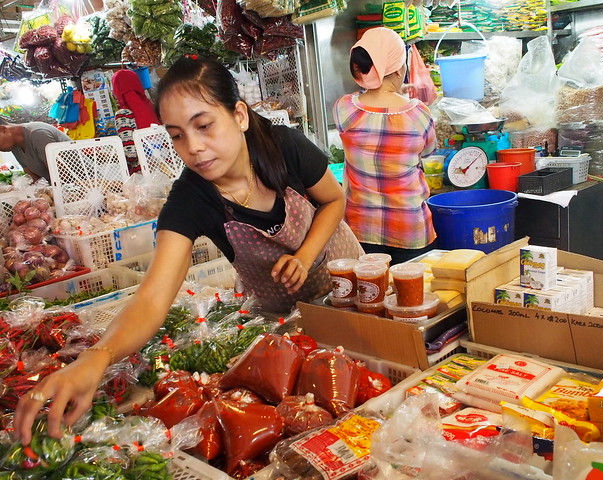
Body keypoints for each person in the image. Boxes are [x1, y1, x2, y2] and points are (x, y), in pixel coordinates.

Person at [13, 55, 363, 444]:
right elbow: (151, 297)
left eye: (204, 125)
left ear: (240, 116)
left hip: (347, 283)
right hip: (284, 312)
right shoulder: (191, 198)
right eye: (177, 134)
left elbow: (333, 201)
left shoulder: (284, 147)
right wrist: (98, 355)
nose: (193, 147)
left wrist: (303, 254)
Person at [333, 27, 438, 265]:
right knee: (411, 300)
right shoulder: (418, 113)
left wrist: (391, 92)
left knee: (370, 299)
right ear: (401, 68)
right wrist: (399, 97)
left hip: (361, 229)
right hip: (410, 231)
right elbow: (429, 153)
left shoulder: (345, 109)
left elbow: (374, 101)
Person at [0, 121, 71, 183]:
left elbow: (62, 175)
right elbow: (33, 177)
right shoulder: (13, 146)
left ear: (3, 129)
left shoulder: (37, 133)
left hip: (76, 183)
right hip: (57, 188)